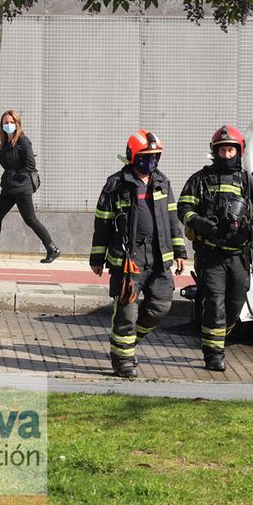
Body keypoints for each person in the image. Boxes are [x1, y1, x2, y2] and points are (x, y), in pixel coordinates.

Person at [178, 125, 253, 372]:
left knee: (234, 306)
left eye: (230, 150)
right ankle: (213, 354)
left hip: (239, 255)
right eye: (222, 150)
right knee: (215, 304)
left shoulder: (248, 181)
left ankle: (217, 338)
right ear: (215, 151)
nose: (226, 154)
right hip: (211, 254)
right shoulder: (200, 180)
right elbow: (183, 208)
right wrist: (198, 221)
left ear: (239, 151)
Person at [90, 130, 186, 380]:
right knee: (126, 314)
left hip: (159, 257)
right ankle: (122, 360)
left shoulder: (162, 182)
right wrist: (97, 258)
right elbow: (102, 224)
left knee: (160, 307)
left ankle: (128, 342)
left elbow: (172, 219)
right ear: (133, 156)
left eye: (155, 157)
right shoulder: (116, 185)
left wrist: (179, 251)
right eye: (145, 157)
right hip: (128, 260)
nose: (150, 162)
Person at [0, 109, 60, 264]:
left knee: (30, 219)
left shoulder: (23, 141)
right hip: (9, 187)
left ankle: (52, 249)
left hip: (21, 187)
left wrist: (16, 176)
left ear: (17, 124)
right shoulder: (5, 142)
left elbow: (30, 164)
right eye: (6, 122)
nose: (9, 125)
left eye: (12, 122)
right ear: (2, 125)